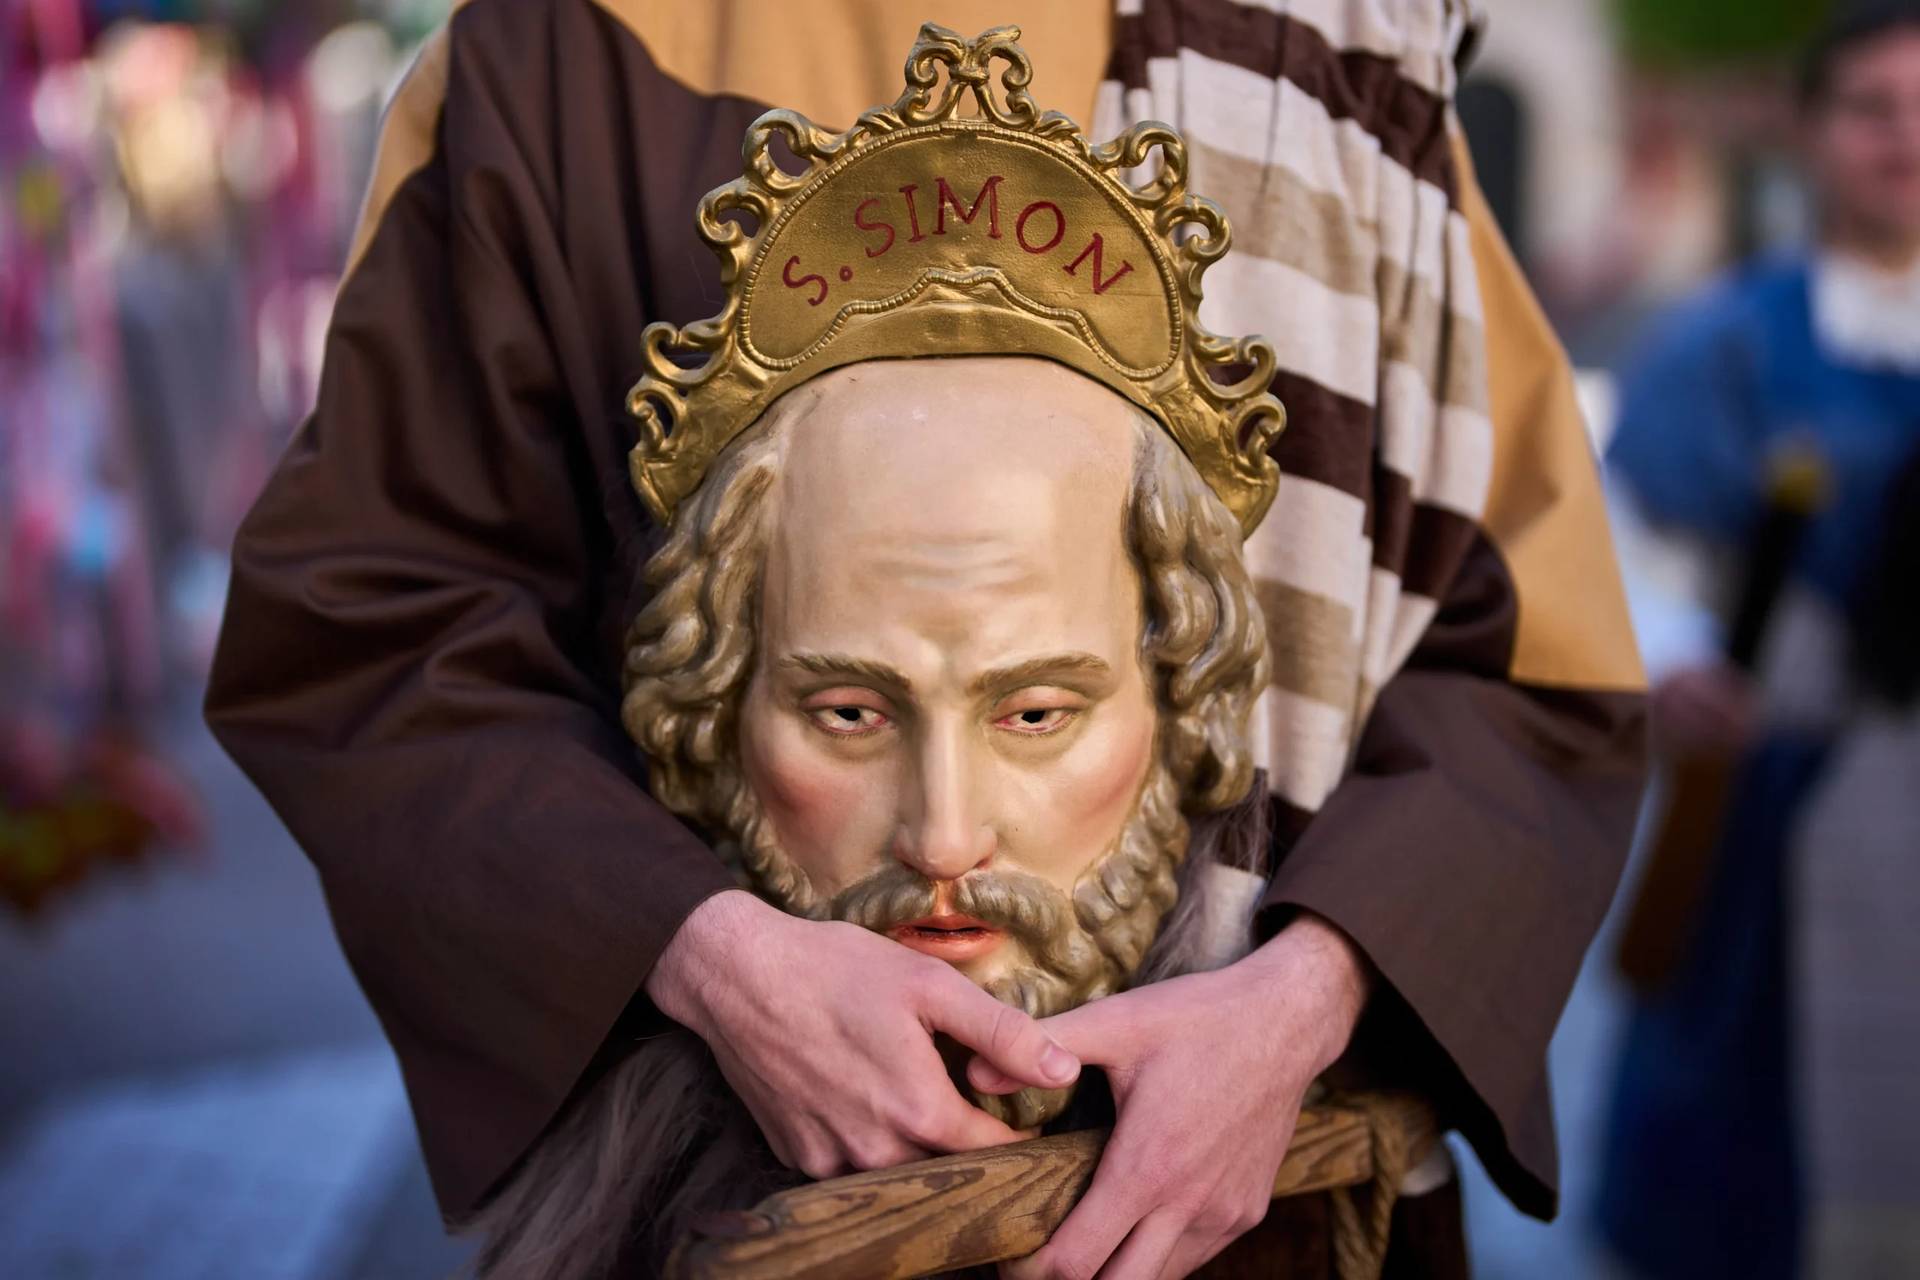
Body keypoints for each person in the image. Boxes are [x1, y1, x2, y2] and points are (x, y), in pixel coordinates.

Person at [205, 3, 1647, 1277]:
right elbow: (372, 617)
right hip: (727, 1203)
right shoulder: (566, 48)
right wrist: (699, 951)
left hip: (1274, 1211)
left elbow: (1529, 663)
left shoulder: (1351, 56)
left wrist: (1308, 993)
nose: (948, 835)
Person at [1598, 5, 1920, 1278]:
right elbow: (1628, 547)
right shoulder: (1724, 338)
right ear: (1810, 129)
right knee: (1736, 1155)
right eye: (1873, 108)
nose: (1907, 139)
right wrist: (1675, 657)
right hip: (1772, 800)